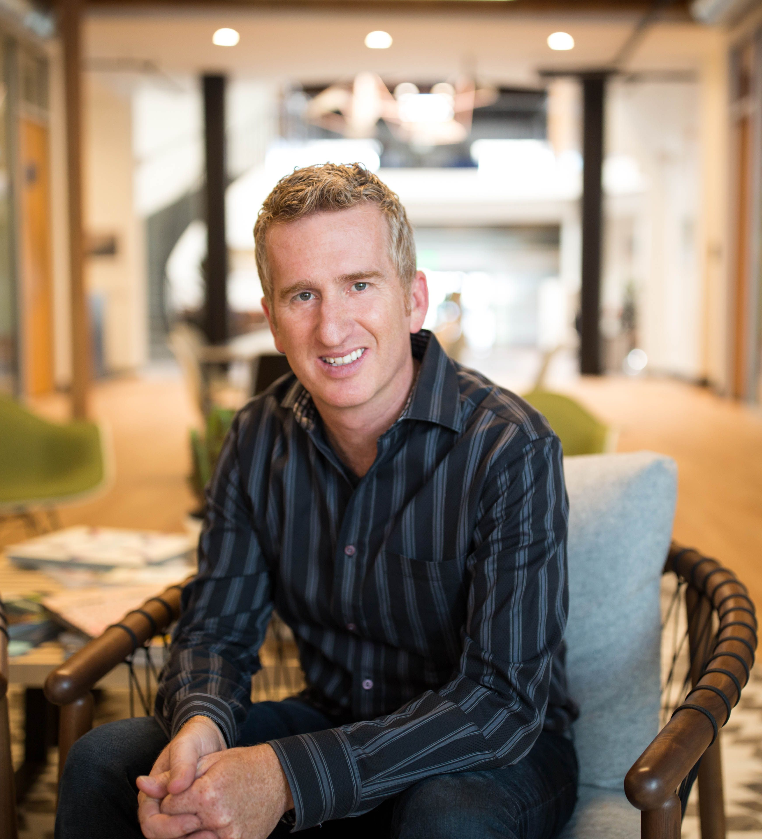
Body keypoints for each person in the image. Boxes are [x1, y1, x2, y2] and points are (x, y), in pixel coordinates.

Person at [56, 163, 578, 839]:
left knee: (444, 817)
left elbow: (500, 703)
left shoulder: (509, 446)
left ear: (413, 299)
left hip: (490, 750)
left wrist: (284, 778)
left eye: (359, 285)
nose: (331, 329)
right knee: (105, 762)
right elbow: (217, 628)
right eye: (302, 295)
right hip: (334, 718)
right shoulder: (256, 436)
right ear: (273, 321)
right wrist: (201, 724)